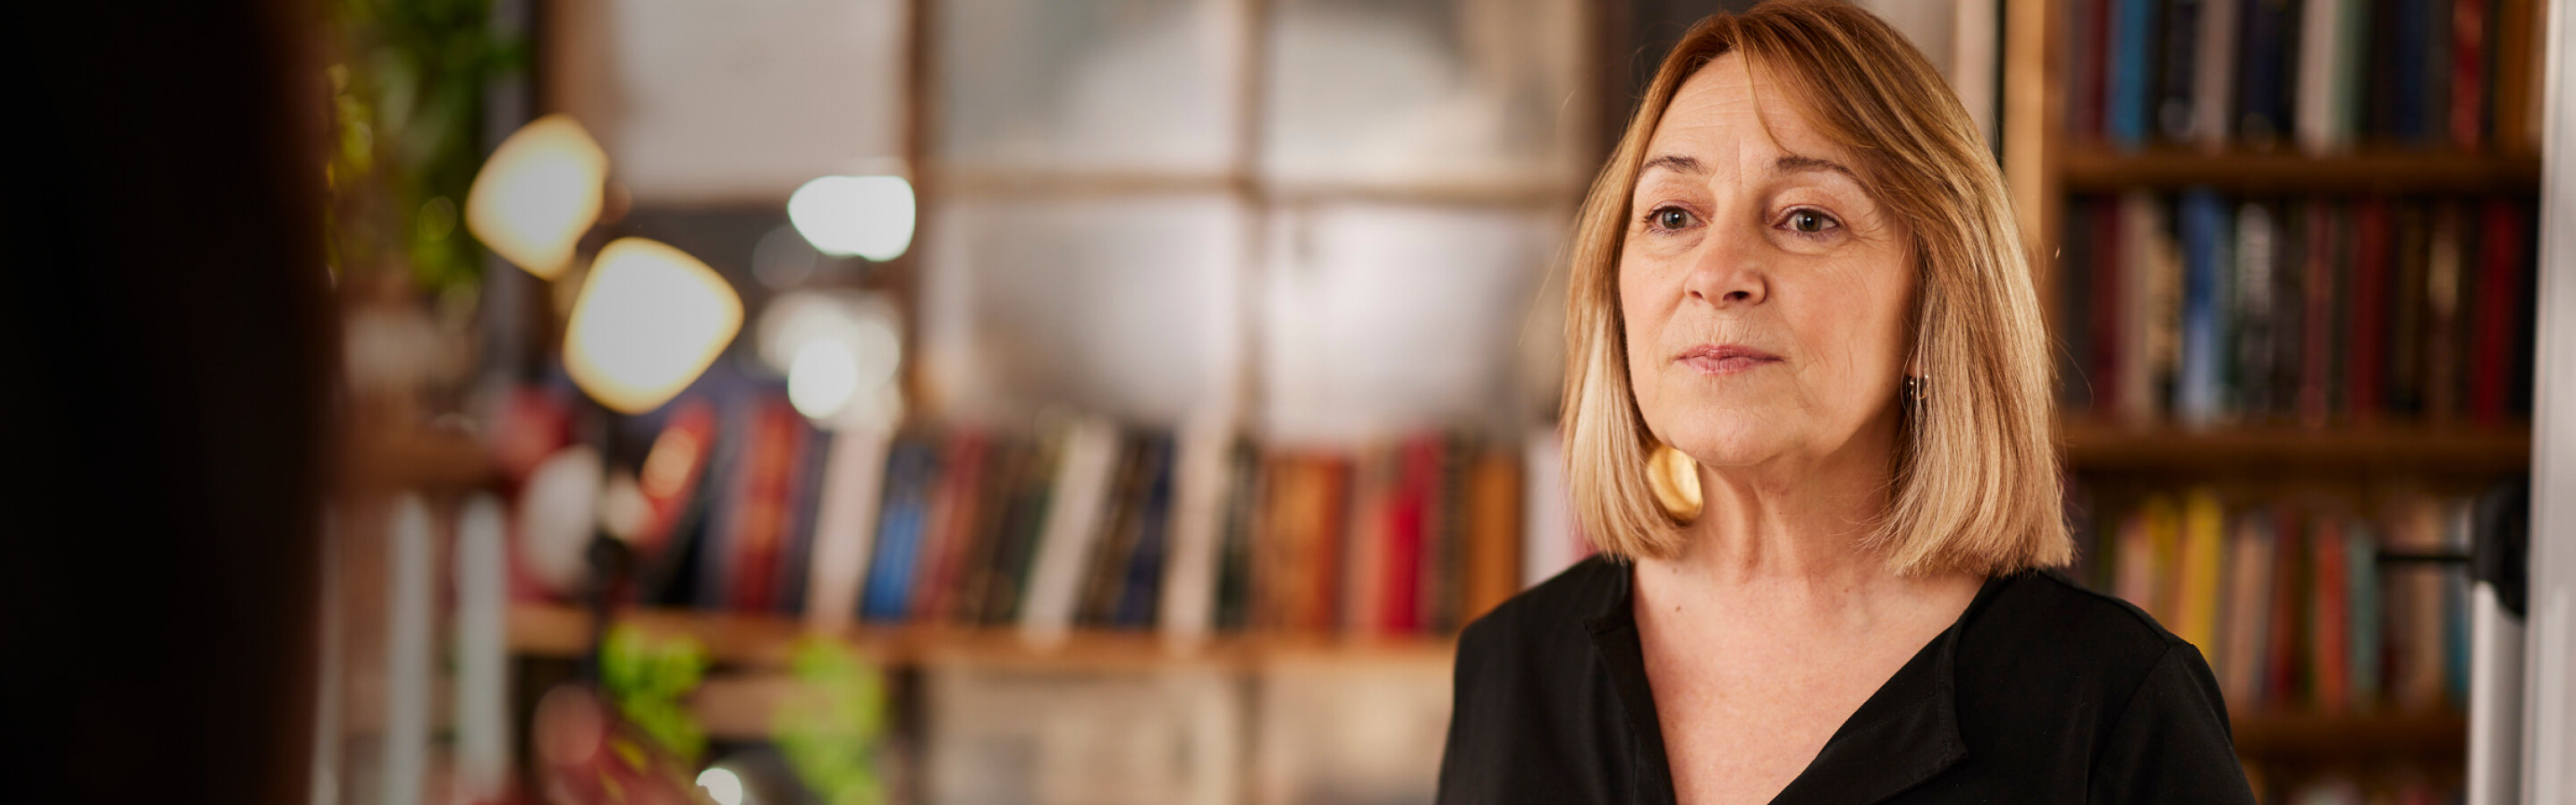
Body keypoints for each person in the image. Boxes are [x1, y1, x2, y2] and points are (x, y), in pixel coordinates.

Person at [1435, 2, 2257, 802]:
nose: (1718, 272)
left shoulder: (2114, 704)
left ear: (1935, 304)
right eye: (1674, 214)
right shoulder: (1511, 668)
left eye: (1806, 219)